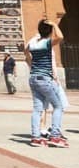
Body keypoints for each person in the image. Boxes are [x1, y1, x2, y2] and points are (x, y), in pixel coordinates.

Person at [25, 18, 67, 148]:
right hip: (45, 79)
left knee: (37, 109)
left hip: (33, 78)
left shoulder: (33, 43)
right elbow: (60, 37)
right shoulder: (47, 43)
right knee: (58, 106)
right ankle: (55, 136)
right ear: (49, 32)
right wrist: (55, 24)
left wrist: (32, 65)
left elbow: (25, 52)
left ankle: (35, 137)